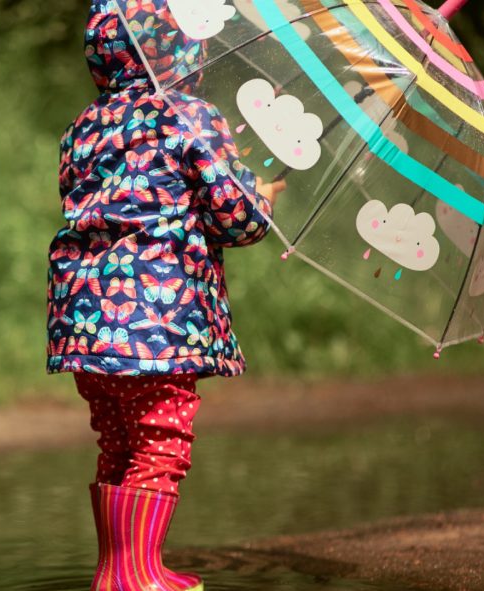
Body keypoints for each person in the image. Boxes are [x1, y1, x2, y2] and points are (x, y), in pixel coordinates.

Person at [46, 1, 284, 589]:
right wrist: (263, 199)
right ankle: (137, 573)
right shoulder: (189, 116)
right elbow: (236, 216)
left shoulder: (82, 127)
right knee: (161, 440)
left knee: (119, 440)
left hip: (85, 324)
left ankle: (117, 569)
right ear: (183, 48)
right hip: (158, 323)